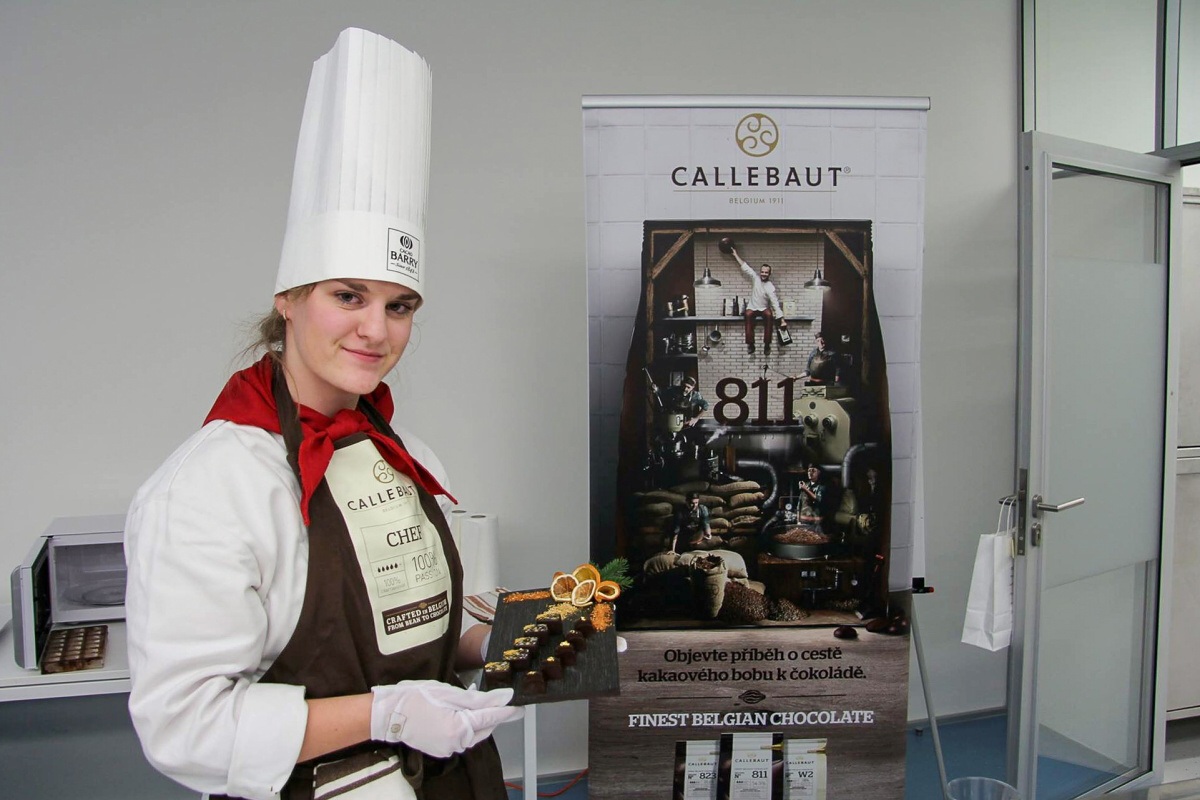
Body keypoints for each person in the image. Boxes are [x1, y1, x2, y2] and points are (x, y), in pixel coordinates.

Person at [124, 29, 520, 800]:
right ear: (289, 298)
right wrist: (386, 713)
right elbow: (187, 728)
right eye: (348, 295)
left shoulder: (412, 458)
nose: (376, 330)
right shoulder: (211, 487)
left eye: (400, 306)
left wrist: (523, 644)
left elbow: (421, 637)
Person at [727, 245, 786, 355]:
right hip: (752, 307)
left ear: (769, 274)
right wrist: (735, 255)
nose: (764, 274)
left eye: (766, 272)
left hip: (764, 308)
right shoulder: (756, 278)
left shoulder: (770, 287)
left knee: (769, 315)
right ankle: (751, 344)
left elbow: (775, 304)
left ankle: (767, 344)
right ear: (760, 272)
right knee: (748, 315)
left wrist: (782, 320)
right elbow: (745, 267)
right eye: (762, 272)